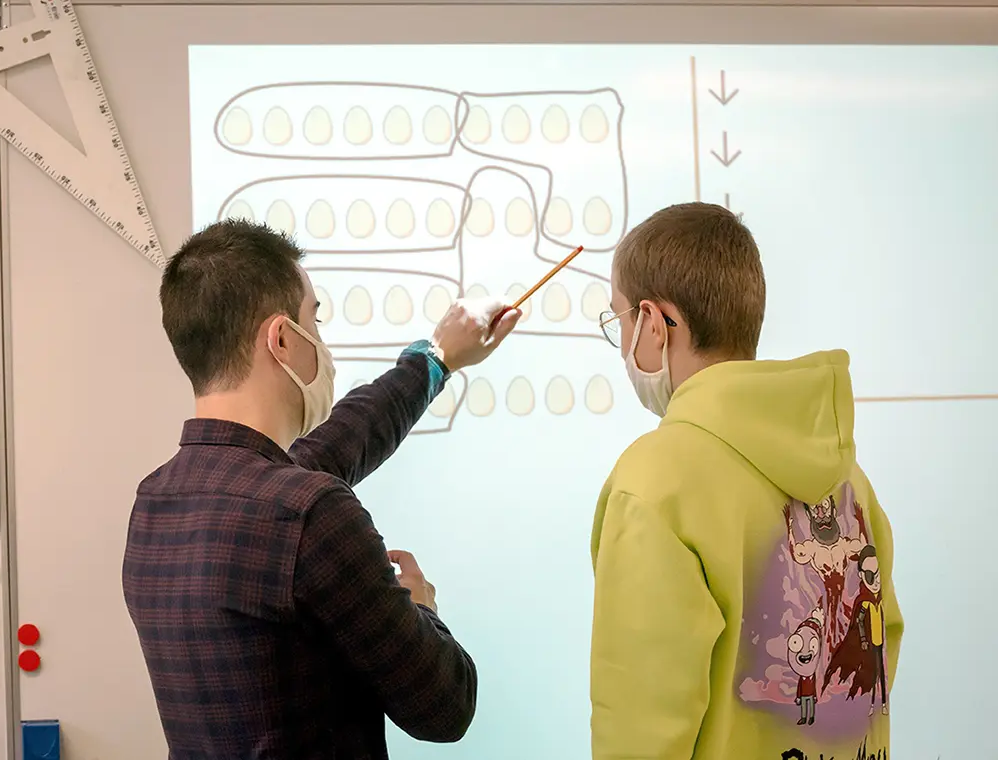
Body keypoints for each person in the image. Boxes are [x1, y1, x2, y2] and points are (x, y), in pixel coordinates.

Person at [122, 218, 520, 759]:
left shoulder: (157, 502)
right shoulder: (308, 513)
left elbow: (341, 442)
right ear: (282, 338)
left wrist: (436, 358)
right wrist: (422, 608)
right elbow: (445, 707)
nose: (322, 341)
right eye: (316, 318)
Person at [589, 203, 903, 759]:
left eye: (618, 322)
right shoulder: (850, 479)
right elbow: (882, 645)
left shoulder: (655, 482)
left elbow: (641, 722)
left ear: (654, 324)